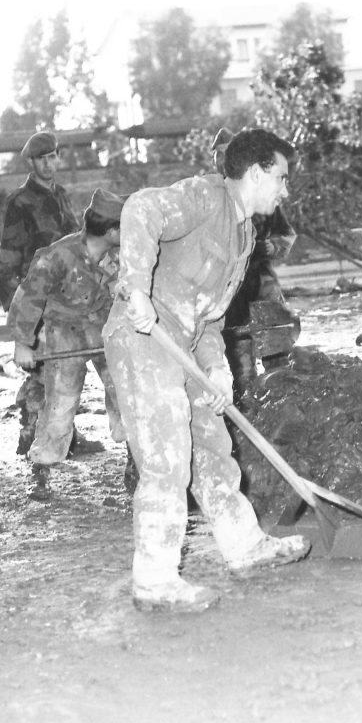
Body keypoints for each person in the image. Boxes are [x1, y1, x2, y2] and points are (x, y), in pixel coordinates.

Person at [104, 128, 311, 613]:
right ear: (256, 172)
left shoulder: (244, 234)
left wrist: (219, 372)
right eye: (280, 177)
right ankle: (154, 581)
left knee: (214, 446)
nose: (285, 190)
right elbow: (140, 209)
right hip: (143, 335)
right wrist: (135, 287)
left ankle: (244, 546)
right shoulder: (205, 197)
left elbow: (212, 317)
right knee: (167, 454)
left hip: (190, 343)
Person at [7, 188, 129, 502]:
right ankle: (42, 469)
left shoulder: (119, 253)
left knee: (125, 388)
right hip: (63, 329)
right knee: (61, 400)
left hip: (102, 323)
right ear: (112, 231)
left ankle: (136, 458)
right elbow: (29, 298)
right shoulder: (57, 256)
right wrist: (23, 342)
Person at [0, 130, 103, 458]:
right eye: (41, 159)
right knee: (41, 366)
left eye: (52, 157)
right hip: (38, 295)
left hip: (68, 295)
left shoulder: (61, 195)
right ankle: (32, 432)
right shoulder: (20, 202)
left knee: (65, 363)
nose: (48, 164)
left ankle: (62, 433)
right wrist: (13, 308)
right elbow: (10, 255)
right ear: (31, 162)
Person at [222, 203, 300, 401]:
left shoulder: (266, 199)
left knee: (279, 359)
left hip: (262, 283)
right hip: (229, 287)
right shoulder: (220, 200)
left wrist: (273, 246)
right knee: (242, 370)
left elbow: (287, 235)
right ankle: (248, 407)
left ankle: (282, 402)